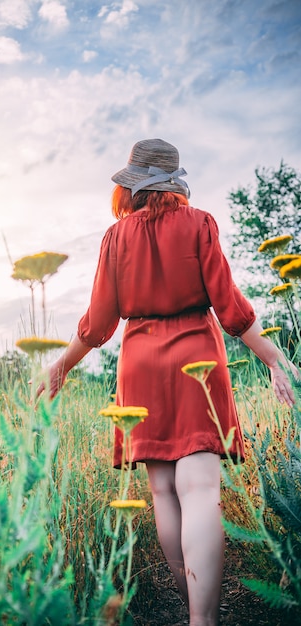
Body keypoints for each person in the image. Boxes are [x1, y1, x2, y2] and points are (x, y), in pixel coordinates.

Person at [42, 139, 297, 626]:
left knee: (163, 494)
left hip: (140, 365)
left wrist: (62, 366)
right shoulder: (200, 223)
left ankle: (190, 610)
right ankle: (205, 620)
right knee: (200, 490)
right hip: (196, 359)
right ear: (173, 182)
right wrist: (270, 355)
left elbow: (98, 322)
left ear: (133, 185)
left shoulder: (116, 237)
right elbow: (229, 305)